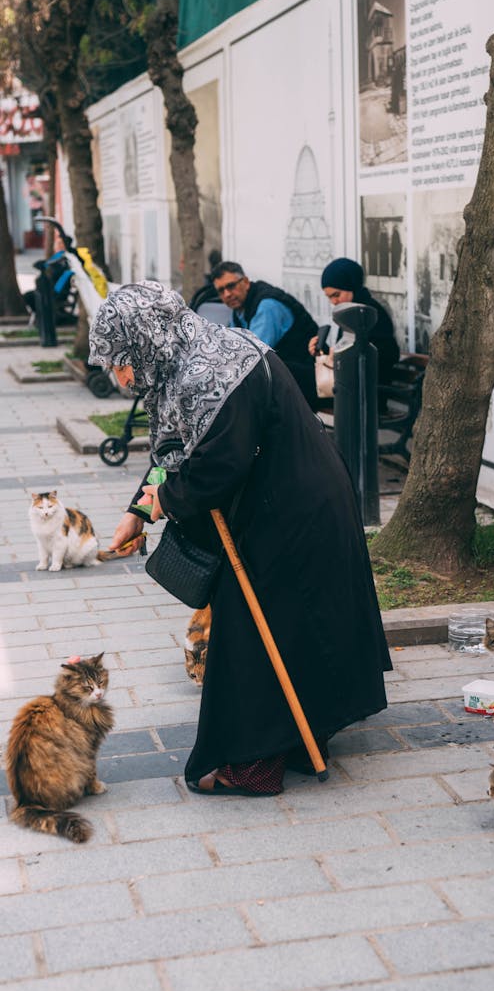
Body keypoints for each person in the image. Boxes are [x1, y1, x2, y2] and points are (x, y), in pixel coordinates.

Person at [88, 282, 391, 797]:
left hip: (295, 509)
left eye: (121, 361)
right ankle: (299, 735)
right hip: (280, 502)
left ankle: (254, 763)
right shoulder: (181, 360)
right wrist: (139, 510)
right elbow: (174, 453)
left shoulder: (213, 368)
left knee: (256, 627)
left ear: (145, 341)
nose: (121, 376)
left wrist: (163, 503)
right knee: (290, 622)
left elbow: (216, 466)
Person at [211, 260, 318, 407]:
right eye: (221, 291)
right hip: (285, 377)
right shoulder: (238, 310)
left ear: (246, 282)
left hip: (305, 377)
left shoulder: (267, 306)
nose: (227, 294)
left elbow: (251, 356)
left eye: (231, 286)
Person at [309, 257, 400, 390]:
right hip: (349, 386)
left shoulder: (370, 314)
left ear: (352, 288)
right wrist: (323, 352)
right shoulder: (350, 313)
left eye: (336, 295)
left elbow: (387, 355)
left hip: (366, 393)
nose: (333, 301)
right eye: (329, 297)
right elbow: (346, 352)